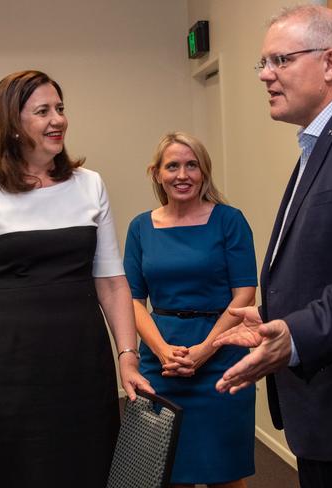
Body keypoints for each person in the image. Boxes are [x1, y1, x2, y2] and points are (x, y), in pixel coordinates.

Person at [0, 69, 152, 488]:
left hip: (82, 362)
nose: (58, 119)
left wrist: (127, 357)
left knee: (87, 464)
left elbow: (111, 283)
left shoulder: (89, 185)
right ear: (12, 124)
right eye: (43, 111)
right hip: (8, 367)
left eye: (60, 108)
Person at [213, 6, 332, 488]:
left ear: (330, 63)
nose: (265, 76)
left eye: (280, 60)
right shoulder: (328, 139)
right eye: (263, 64)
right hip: (324, 414)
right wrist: (277, 312)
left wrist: (296, 334)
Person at [123, 132, 257, 488]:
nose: (182, 175)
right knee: (167, 472)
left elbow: (244, 293)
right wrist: (163, 350)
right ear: (157, 173)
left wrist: (204, 352)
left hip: (222, 359)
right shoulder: (140, 228)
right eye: (173, 166)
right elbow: (132, 300)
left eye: (191, 165)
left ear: (204, 172)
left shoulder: (229, 221)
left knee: (224, 473)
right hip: (161, 362)